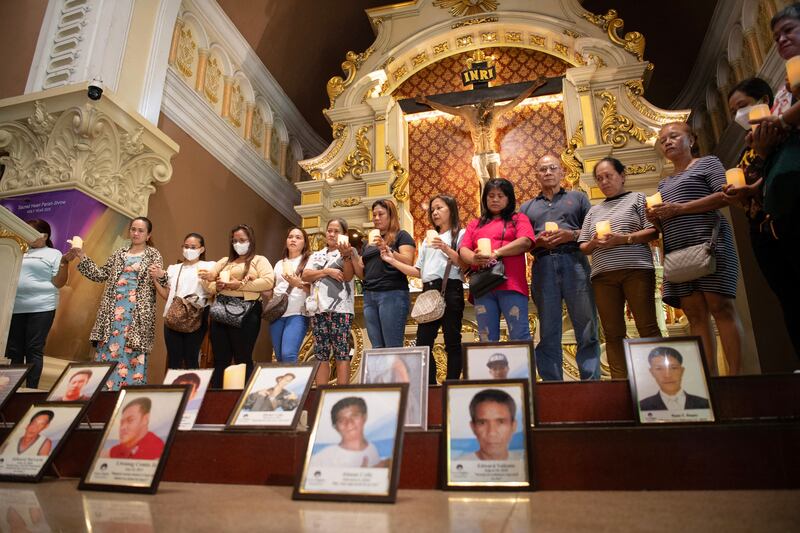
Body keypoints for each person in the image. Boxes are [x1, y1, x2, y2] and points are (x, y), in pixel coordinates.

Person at [648, 123, 743, 376]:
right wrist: (655, 217)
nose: (667, 142)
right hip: (678, 251)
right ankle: (708, 378)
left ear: (691, 139)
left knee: (720, 305)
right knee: (693, 313)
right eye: (663, 139)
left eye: (674, 136)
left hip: (710, 242)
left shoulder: (707, 163)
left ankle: (736, 376)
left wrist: (679, 208)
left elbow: (725, 195)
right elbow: (664, 219)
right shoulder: (664, 184)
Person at [725, 79, 800, 359]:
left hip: (788, 218)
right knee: (789, 300)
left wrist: (765, 154)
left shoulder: (783, 132)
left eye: (742, 106)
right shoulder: (747, 148)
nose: (737, 115)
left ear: (765, 100)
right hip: (762, 230)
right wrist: (740, 195)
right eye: (733, 111)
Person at [578, 157, 662, 379]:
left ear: (622, 176)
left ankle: (656, 379)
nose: (604, 181)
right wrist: (596, 243)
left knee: (647, 326)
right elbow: (584, 246)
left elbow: (653, 231)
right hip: (603, 276)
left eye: (609, 176)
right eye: (599, 178)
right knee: (613, 332)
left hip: (636, 270)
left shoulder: (637, 199)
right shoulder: (593, 211)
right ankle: (620, 382)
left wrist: (623, 239)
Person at [520, 155, 600, 381]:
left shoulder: (578, 198)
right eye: (542, 169)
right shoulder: (527, 207)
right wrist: (538, 241)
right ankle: (552, 383)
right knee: (548, 328)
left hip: (574, 260)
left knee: (586, 324)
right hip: (543, 264)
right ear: (536, 175)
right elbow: (522, 240)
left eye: (552, 168)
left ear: (561, 172)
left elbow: (592, 230)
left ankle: (591, 381)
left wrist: (570, 234)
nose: (547, 172)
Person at [69, 217, 168, 390]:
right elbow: (100, 274)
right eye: (133, 229)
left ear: (148, 234)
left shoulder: (153, 254)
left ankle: (125, 395)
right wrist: (81, 255)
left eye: (140, 230)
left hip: (137, 315)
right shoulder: (119, 253)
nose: (136, 233)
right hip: (112, 313)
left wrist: (161, 274)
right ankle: (102, 395)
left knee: (132, 354)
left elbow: (163, 281)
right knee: (108, 351)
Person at [379, 195, 466, 383]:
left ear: (451, 209)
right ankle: (431, 385)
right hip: (428, 291)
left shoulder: (461, 234)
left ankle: (452, 384)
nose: (435, 212)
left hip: (451, 289)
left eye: (439, 208)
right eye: (432, 209)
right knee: (423, 343)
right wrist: (392, 260)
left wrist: (445, 248)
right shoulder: (427, 240)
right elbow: (418, 271)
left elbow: (464, 264)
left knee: (452, 340)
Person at [416, 76, 546, 183]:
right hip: (478, 155)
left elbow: (516, 101)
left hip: (491, 153)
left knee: (496, 184)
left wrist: (534, 86)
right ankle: (484, 214)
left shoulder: (495, 112)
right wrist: (427, 102)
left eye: (490, 108)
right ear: (480, 106)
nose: (488, 111)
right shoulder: (468, 112)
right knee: (485, 185)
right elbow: (447, 109)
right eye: (485, 109)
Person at [460, 178, 534, 342]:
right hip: (483, 287)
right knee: (486, 337)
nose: (495, 199)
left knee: (519, 336)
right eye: (491, 195)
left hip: (511, 285)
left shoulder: (518, 219)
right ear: (485, 199)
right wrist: (474, 258)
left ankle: (523, 369)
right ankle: (491, 368)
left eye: (500, 196)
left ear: (509, 199)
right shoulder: (475, 224)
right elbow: (463, 249)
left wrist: (497, 253)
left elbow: (525, 241)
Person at [203, 224, 274, 388]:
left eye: (242, 240)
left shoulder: (259, 260)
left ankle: (242, 400)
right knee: (220, 357)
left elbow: (268, 281)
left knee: (242, 356)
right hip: (221, 306)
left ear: (251, 241)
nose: (238, 244)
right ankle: (218, 400)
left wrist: (239, 285)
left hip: (248, 308)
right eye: (235, 241)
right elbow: (207, 281)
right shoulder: (224, 261)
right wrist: (217, 287)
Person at [6, 219, 69, 388]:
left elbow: (59, 282)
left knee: (33, 348)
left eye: (30, 231)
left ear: (44, 235)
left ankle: (30, 389)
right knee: (14, 350)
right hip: (16, 307)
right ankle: (12, 389)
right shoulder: (19, 250)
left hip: (41, 307)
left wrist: (65, 262)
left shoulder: (54, 253)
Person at [351, 200, 415, 349]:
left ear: (390, 215)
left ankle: (395, 373)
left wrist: (387, 248)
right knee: (377, 347)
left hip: (392, 293)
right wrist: (352, 255)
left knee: (392, 345)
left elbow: (408, 261)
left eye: (381, 214)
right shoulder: (368, 243)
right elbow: (362, 274)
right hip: (369, 296)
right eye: (374, 215)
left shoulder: (401, 235)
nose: (376, 218)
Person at [303, 219, 357, 385]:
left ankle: (342, 396)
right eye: (329, 230)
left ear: (343, 234)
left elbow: (348, 276)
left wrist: (346, 255)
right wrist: (327, 271)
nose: (332, 234)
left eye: (336, 231)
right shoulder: (316, 255)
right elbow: (305, 275)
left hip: (341, 310)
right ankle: (321, 395)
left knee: (342, 353)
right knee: (321, 355)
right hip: (318, 310)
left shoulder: (349, 252)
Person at [152, 233, 215, 370]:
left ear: (202, 249)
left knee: (191, 359)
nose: (189, 250)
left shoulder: (209, 266)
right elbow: (167, 295)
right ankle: (174, 391)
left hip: (196, 318)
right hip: (173, 318)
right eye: (186, 246)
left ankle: (192, 390)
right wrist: (155, 279)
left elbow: (213, 290)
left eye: (193, 247)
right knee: (174, 360)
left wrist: (210, 279)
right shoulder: (173, 269)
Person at [269, 228, 311, 363]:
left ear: (304, 243)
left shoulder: (309, 261)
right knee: (279, 356)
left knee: (288, 355)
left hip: (298, 313)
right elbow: (273, 288)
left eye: (298, 237)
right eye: (290, 237)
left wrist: (297, 283)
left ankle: (293, 384)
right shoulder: (279, 264)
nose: (293, 240)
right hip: (277, 313)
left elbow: (316, 289)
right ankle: (283, 384)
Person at [309, 396, 384, 468]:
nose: (349, 423)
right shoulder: (323, 458)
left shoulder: (372, 449)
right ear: (335, 427)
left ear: (364, 417)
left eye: (354, 416)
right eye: (342, 420)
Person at [638, 347, 710, 411]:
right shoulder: (642, 406)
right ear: (652, 372)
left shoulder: (705, 404)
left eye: (674, 368)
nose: (667, 375)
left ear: (682, 371)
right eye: (659, 369)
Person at [459, 389, 520, 461]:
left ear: (513, 426)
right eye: (482, 423)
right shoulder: (459, 465)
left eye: (500, 422)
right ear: (473, 428)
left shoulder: (523, 462)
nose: (492, 433)